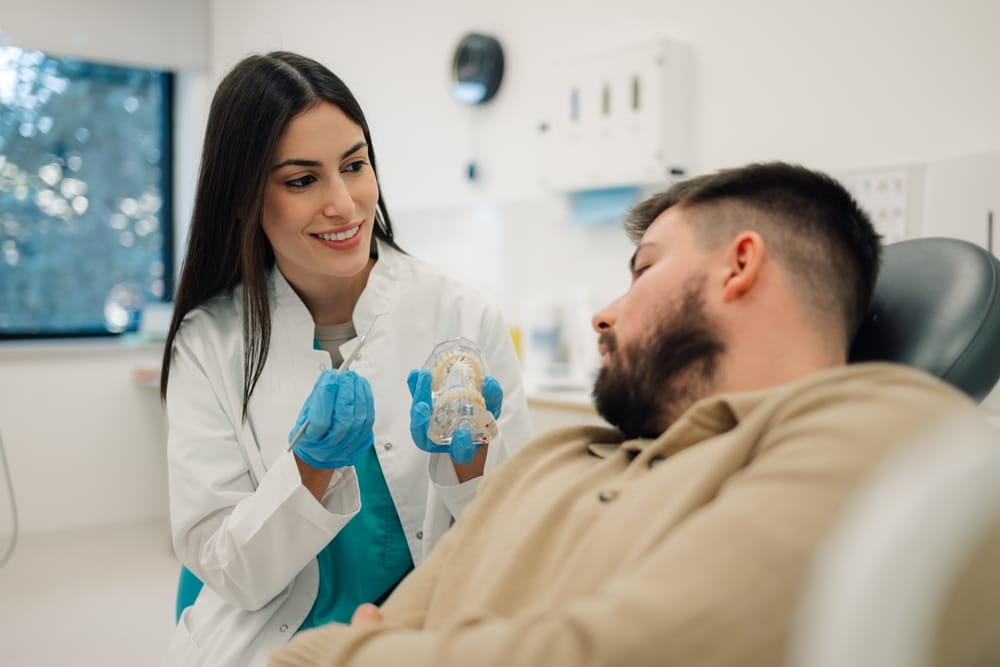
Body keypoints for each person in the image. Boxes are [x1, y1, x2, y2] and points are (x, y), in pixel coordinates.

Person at [268, 162, 996, 667]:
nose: (603, 314)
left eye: (643, 268)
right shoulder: (557, 459)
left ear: (739, 266)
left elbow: (625, 656)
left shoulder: (885, 433)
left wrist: (353, 649)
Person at [159, 51, 532, 666]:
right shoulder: (209, 341)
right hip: (273, 640)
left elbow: (513, 542)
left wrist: (473, 469)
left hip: (423, 631)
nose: (345, 204)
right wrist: (307, 468)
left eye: (354, 165)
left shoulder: (461, 315)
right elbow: (230, 572)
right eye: (302, 180)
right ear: (245, 199)